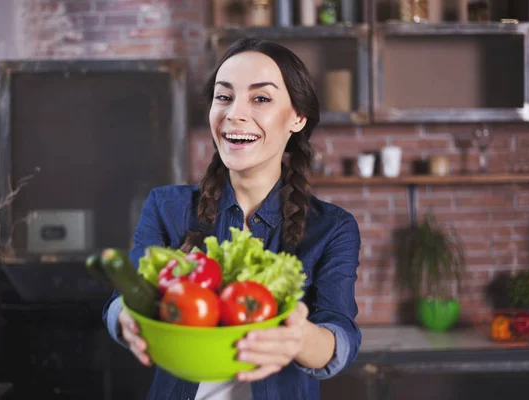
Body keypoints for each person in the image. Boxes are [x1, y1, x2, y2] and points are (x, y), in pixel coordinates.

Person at [102, 38, 362, 400]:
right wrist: (125, 317)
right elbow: (125, 296)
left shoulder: (332, 228)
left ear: (298, 117)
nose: (234, 114)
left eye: (261, 98)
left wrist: (300, 337)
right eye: (224, 97)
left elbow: (341, 336)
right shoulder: (166, 207)